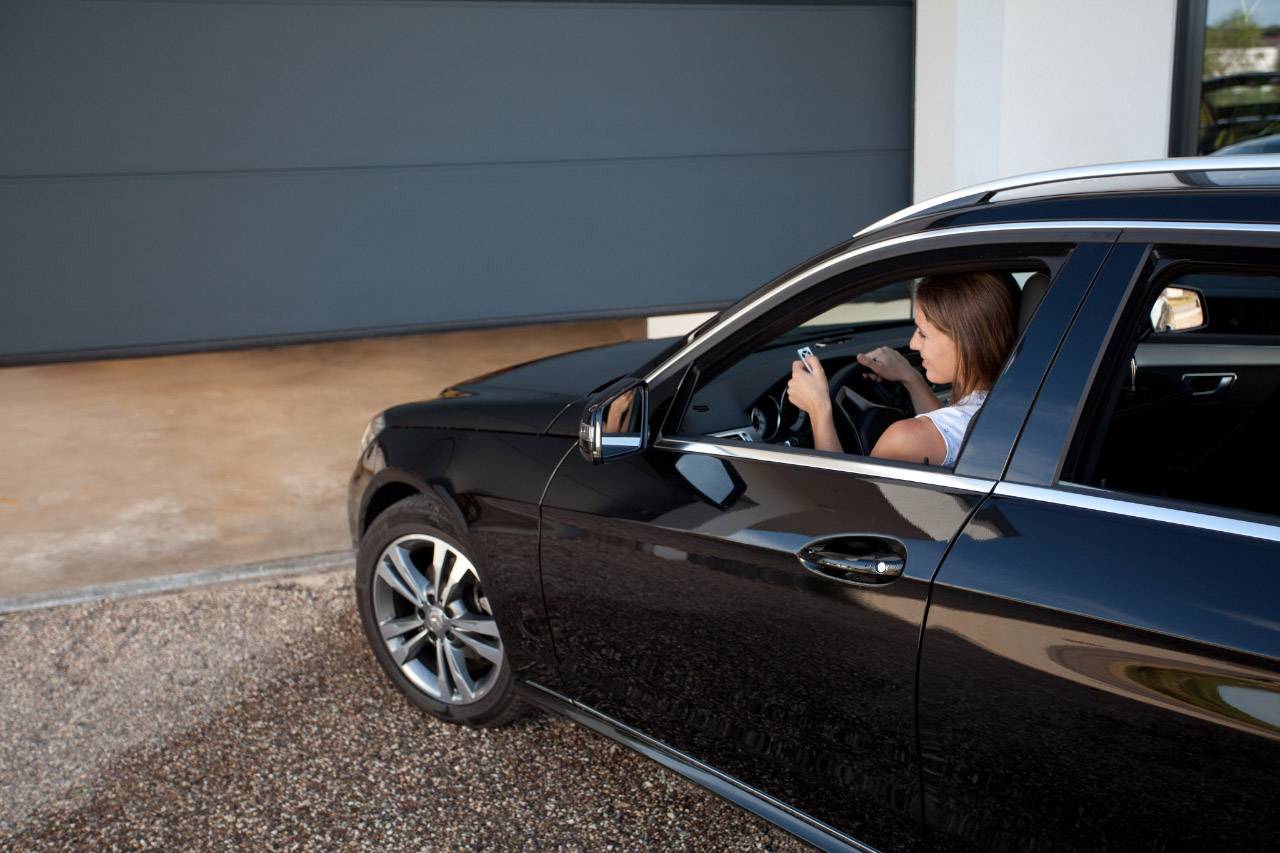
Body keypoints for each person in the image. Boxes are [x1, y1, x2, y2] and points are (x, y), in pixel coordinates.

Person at [786, 272, 1020, 466]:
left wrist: (819, 409)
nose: (913, 344)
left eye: (923, 333)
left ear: (967, 342)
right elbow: (949, 433)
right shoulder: (1008, 404)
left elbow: (843, 504)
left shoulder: (904, 440)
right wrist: (911, 378)